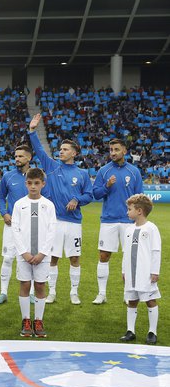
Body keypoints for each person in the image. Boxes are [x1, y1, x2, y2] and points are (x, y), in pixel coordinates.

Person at [29, 113, 92, 305]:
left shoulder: (83, 173)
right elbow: (39, 150)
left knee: (74, 258)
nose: (61, 152)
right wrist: (32, 131)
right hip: (54, 222)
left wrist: (77, 199)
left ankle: (74, 292)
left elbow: (90, 195)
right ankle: (53, 292)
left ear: (74, 153)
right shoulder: (52, 166)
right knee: (53, 258)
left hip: (73, 222)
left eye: (65, 149)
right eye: (60, 149)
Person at [91, 139, 143, 304]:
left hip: (129, 222)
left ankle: (128, 294)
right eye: (111, 149)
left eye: (116, 149)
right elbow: (96, 194)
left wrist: (137, 219)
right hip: (109, 220)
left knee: (129, 257)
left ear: (124, 151)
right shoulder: (104, 171)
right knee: (104, 255)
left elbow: (140, 197)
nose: (112, 152)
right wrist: (107, 185)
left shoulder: (134, 171)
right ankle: (102, 294)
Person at [12, 168, 56, 338]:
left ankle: (38, 320)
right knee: (24, 285)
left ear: (43, 184)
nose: (33, 186)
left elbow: (52, 230)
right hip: (24, 255)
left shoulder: (48, 205)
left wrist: (43, 253)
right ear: (26, 184)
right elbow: (15, 230)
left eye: (37, 183)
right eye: (30, 183)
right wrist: (24, 252)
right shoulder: (19, 204)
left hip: (42, 256)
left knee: (39, 285)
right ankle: (26, 320)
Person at [119, 194, 161, 345]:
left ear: (139, 211)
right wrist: (124, 270)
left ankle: (152, 332)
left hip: (145, 273)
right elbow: (125, 251)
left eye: (129, 209)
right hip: (131, 272)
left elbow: (156, 251)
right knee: (132, 300)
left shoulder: (151, 229)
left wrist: (155, 271)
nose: (127, 212)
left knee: (150, 300)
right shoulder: (129, 229)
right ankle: (131, 331)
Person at [0, 145, 33, 304]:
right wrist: (4, 213)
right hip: (12, 224)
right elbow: (1, 197)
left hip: (31, 225)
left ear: (29, 158)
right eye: (16, 156)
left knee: (29, 259)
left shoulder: (36, 176)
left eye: (21, 156)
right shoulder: (8, 176)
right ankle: (3, 293)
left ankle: (30, 293)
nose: (17, 159)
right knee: (8, 258)